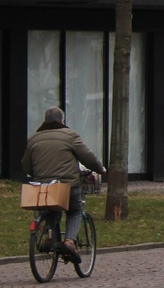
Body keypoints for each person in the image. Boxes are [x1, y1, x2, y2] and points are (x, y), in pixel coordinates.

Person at [21, 106, 106, 264]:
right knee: (75, 210)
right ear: (62, 121)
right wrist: (100, 169)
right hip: (67, 184)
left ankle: (49, 238)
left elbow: (26, 165)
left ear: (45, 122)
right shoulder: (70, 136)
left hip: (42, 187)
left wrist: (38, 174)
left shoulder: (34, 138)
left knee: (52, 209)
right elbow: (87, 157)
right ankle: (69, 242)